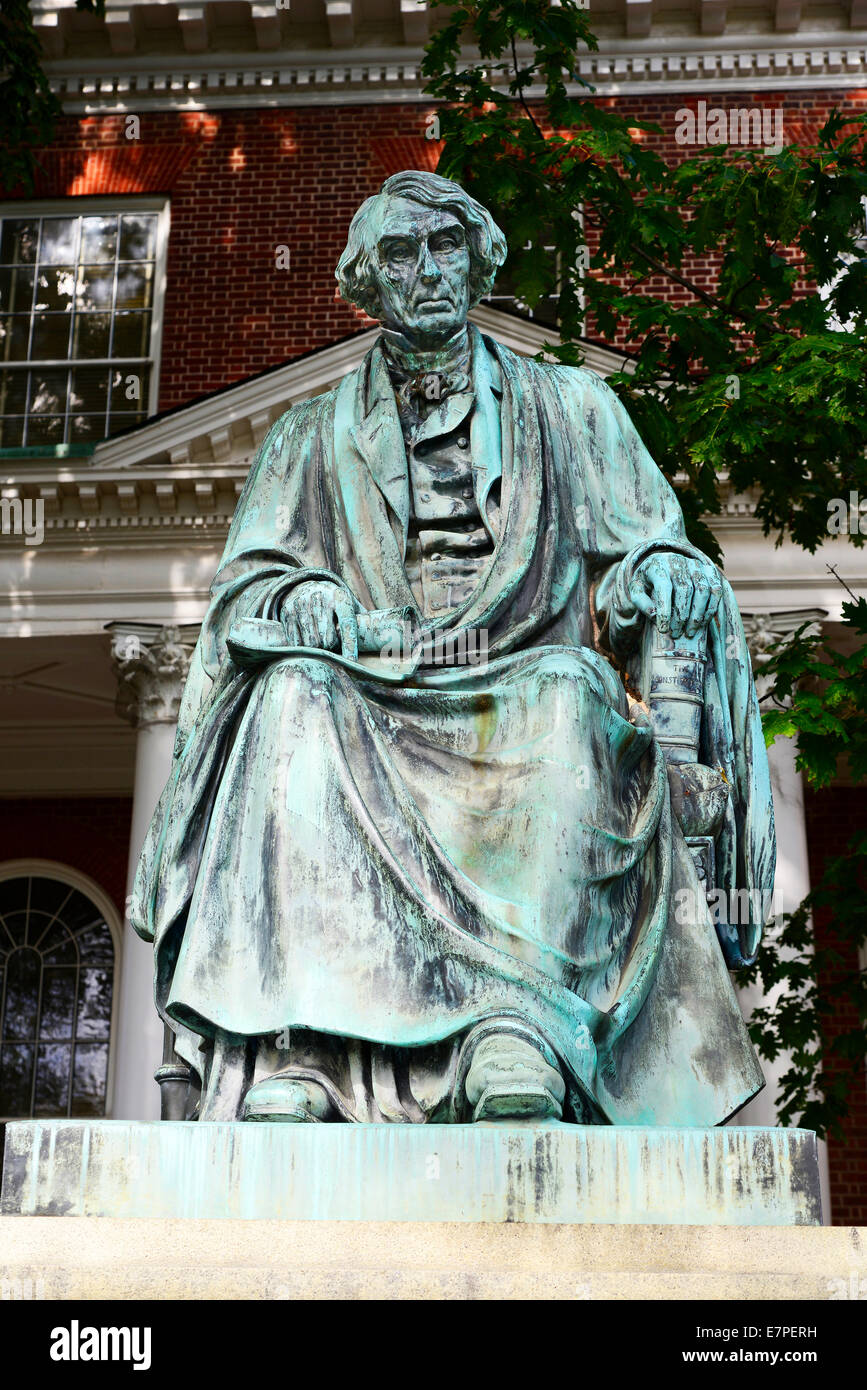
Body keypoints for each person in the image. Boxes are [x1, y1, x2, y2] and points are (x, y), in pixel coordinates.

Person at [130, 170, 774, 1126]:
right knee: (290, 697)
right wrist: (302, 595)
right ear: (367, 282)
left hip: (524, 676)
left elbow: (647, 546)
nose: (427, 271)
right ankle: (304, 1043)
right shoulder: (306, 437)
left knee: (567, 694)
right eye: (400, 253)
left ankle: (517, 1029)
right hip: (369, 684)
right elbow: (246, 590)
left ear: (478, 264)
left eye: (445, 249)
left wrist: (661, 573)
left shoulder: (575, 410)